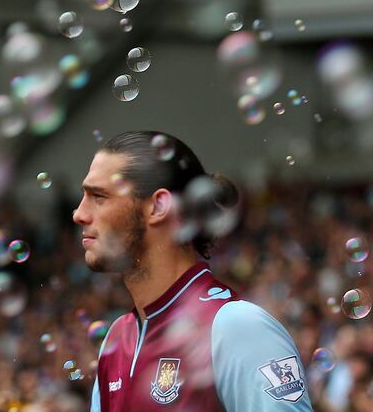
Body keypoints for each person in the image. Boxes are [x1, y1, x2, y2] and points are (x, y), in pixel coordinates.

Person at [72, 131, 314, 412]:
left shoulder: (236, 326)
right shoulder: (117, 337)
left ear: (158, 206)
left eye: (99, 196)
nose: (79, 213)